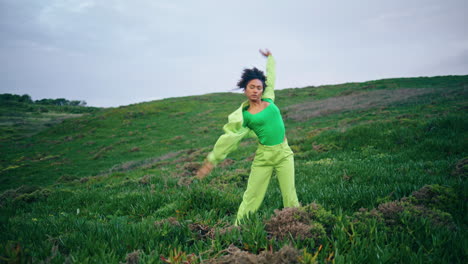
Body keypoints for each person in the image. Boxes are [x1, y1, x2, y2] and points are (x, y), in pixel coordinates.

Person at [195, 49, 300, 225]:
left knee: (289, 193)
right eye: (252, 87)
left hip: (284, 153)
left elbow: (271, 77)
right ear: (245, 90)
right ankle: (238, 228)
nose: (256, 91)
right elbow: (229, 139)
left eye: (259, 87)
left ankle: (300, 225)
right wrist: (211, 160)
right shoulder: (245, 116)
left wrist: (270, 59)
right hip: (264, 157)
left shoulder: (270, 99)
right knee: (252, 195)